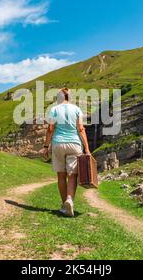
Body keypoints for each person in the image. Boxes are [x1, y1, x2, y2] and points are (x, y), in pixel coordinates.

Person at [43, 88, 91, 217]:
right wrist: (87, 148)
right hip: (74, 144)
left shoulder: (54, 109)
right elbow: (81, 129)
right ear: (70, 97)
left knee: (61, 175)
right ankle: (69, 200)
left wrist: (46, 146)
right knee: (72, 175)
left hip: (58, 144)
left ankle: (65, 205)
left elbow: (50, 129)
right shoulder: (76, 109)